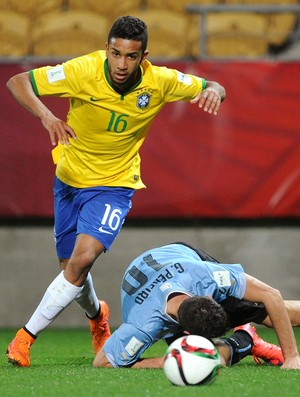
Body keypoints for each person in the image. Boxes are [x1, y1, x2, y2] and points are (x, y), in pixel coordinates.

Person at [5, 16, 226, 367]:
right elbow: (18, 82)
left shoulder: (161, 81)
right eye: (115, 53)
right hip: (68, 179)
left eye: (131, 56)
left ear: (144, 56)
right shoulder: (83, 70)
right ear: (107, 49)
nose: (121, 64)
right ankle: (98, 317)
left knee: (82, 259)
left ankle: (24, 338)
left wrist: (214, 90)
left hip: (114, 185)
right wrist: (47, 117)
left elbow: (213, 84)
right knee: (71, 272)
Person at [92, 242, 300, 369]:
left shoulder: (205, 277)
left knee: (275, 317)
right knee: (208, 360)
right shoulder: (142, 326)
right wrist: (165, 362)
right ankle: (247, 340)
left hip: (179, 258)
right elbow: (102, 362)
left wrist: (292, 357)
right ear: (188, 331)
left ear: (209, 298)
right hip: (153, 291)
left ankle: (248, 335)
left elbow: (271, 295)